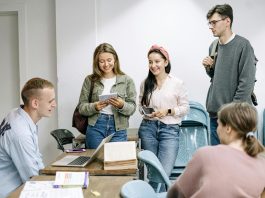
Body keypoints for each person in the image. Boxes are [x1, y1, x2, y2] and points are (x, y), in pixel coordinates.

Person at [167, 102, 265, 198]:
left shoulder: (206, 154)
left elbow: (176, 193)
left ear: (228, 128)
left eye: (218, 124)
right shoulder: (262, 164)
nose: (217, 130)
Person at [202, 4, 257, 145]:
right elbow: (218, 77)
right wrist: (210, 68)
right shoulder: (213, 45)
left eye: (214, 22)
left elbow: (246, 83)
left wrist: (231, 113)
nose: (211, 26)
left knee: (238, 163)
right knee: (217, 163)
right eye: (210, 23)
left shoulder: (243, 46)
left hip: (235, 117)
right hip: (215, 115)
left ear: (227, 21)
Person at [138, 44, 189, 190]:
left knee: (163, 172)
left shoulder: (177, 83)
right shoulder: (145, 83)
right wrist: (146, 112)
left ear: (166, 62)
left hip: (170, 130)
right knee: (154, 171)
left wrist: (168, 111)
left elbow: (185, 108)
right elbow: (140, 107)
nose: (153, 65)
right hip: (148, 129)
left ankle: (150, 193)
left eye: (157, 61)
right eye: (150, 62)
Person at [0, 77, 56, 197]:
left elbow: (35, 158)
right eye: (50, 101)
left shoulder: (16, 113)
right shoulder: (21, 133)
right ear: (35, 103)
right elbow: (33, 177)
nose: (54, 104)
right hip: (10, 192)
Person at [78, 43, 137, 149]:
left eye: (109, 60)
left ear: (115, 59)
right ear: (97, 62)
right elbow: (81, 107)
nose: (106, 64)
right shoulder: (90, 80)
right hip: (95, 127)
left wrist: (122, 105)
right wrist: (94, 107)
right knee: (94, 163)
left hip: (118, 128)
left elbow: (132, 108)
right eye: (101, 61)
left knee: (116, 162)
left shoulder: (127, 80)